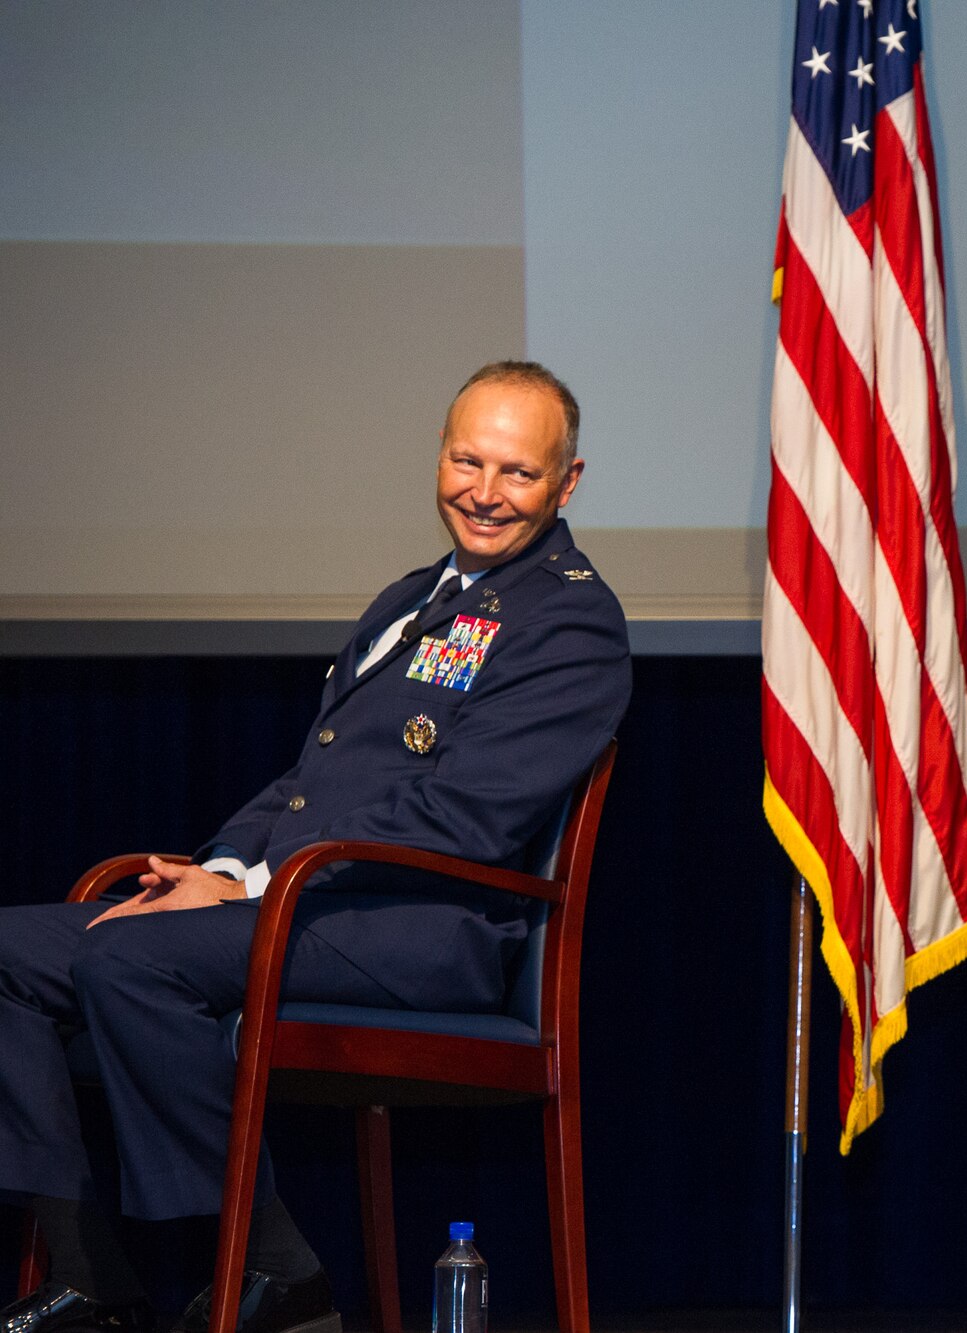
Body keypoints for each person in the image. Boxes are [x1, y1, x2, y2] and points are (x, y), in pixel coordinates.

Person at [0, 362, 631, 1333]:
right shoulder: (412, 597)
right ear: (439, 452)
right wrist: (220, 867)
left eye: (518, 473)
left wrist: (249, 891)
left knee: (128, 956)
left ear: (568, 482)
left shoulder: (570, 621)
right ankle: (92, 1274)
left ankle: (277, 1270)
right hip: (313, 903)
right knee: (13, 952)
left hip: (419, 925)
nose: (484, 492)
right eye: (468, 460)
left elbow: (471, 818)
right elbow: (310, 782)